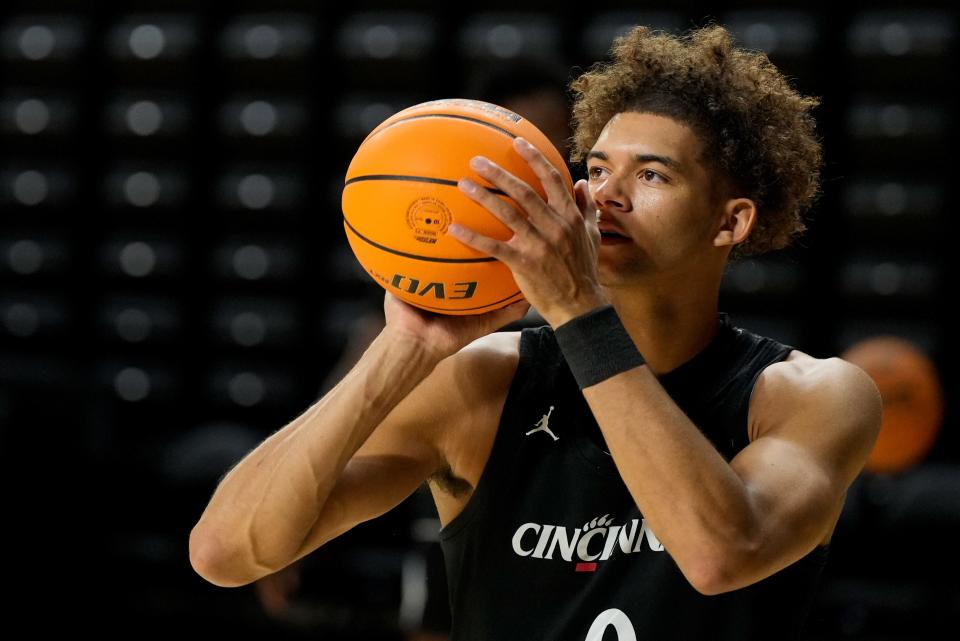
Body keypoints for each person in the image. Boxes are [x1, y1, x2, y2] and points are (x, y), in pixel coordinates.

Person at [189, 24, 882, 640]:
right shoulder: (485, 379)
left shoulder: (810, 395)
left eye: (652, 174)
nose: (607, 194)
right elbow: (224, 553)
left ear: (730, 221)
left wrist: (580, 311)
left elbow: (718, 554)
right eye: (598, 168)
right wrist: (407, 346)